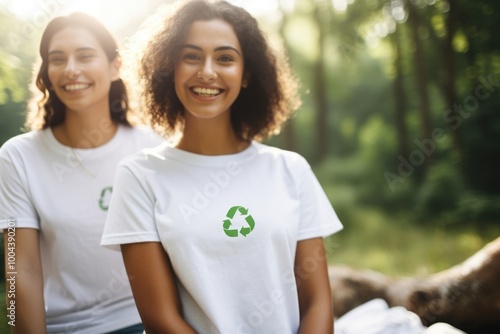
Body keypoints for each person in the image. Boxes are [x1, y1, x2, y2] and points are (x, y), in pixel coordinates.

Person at [101, 1, 343, 333]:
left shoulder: (291, 170)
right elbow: (161, 319)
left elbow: (317, 302)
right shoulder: (140, 176)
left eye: (225, 58)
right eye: (191, 56)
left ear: (246, 76)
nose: (207, 72)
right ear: (169, 67)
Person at [0, 12, 164, 334]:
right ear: (46, 72)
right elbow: (20, 269)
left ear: (115, 66)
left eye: (85, 56)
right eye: (57, 59)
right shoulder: (18, 157)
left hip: (150, 322)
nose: (71, 69)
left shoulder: (153, 147)